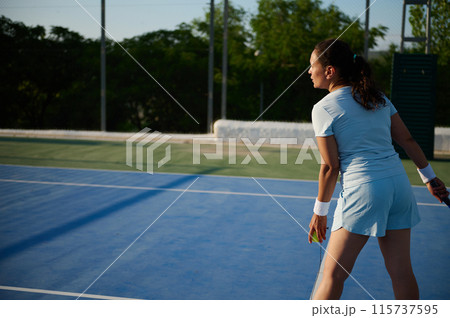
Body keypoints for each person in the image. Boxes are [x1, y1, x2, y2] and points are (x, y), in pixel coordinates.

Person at [307, 39, 449, 300]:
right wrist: (430, 178)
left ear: (329, 71)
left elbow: (330, 165)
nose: (308, 71)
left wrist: (320, 212)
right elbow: (408, 141)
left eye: (311, 65)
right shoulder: (378, 97)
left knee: (332, 275)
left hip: (364, 191)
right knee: (402, 272)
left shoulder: (323, 108)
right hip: (399, 188)